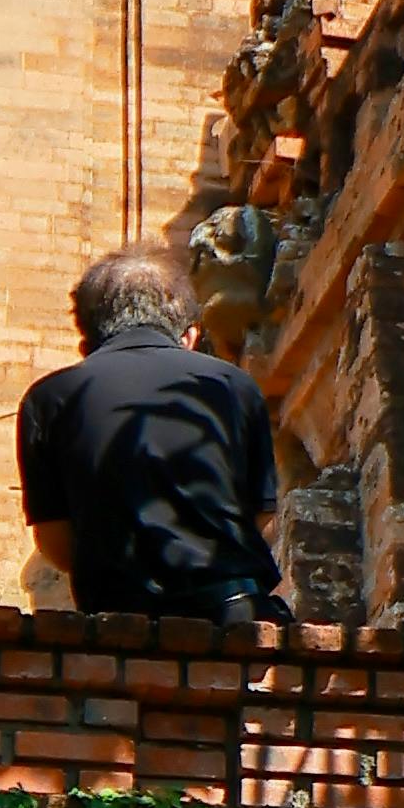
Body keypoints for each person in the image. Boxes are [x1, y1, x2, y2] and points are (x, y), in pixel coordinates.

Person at [19, 242, 284, 629]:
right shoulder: (234, 385)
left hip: (115, 620)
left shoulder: (48, 399)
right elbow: (260, 515)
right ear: (190, 335)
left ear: (87, 343)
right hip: (231, 615)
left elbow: (55, 539)